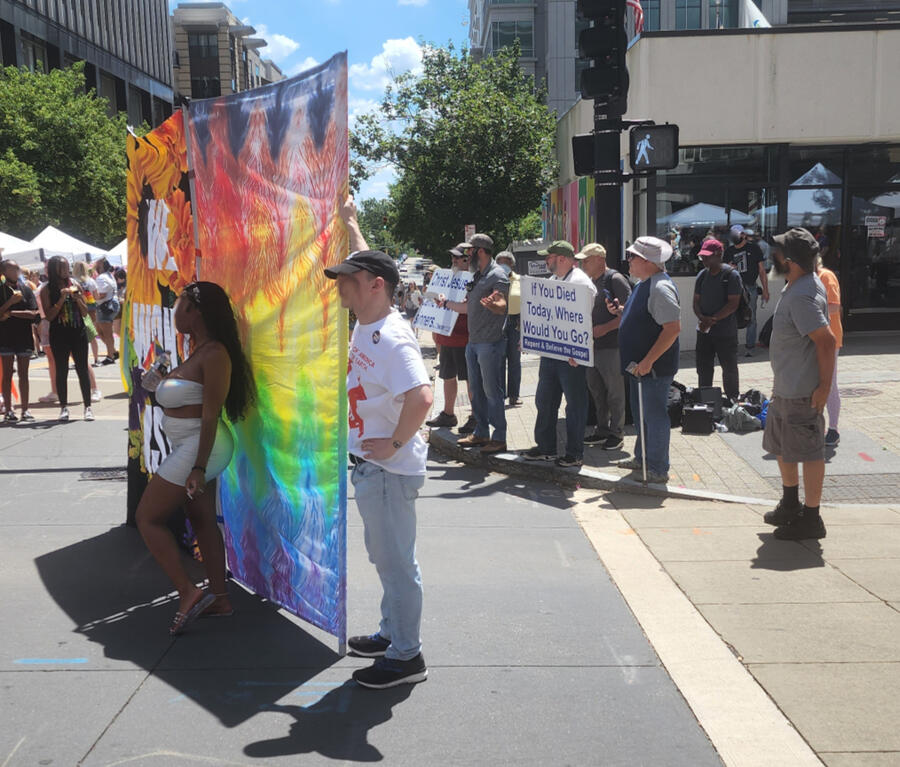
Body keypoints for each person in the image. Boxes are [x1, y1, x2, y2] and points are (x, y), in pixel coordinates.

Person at [328, 195, 432, 689]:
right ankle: (393, 634)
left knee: (395, 565)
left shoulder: (390, 337)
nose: (341, 285)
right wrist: (351, 223)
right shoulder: (369, 318)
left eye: (349, 279)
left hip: (388, 470)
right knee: (387, 558)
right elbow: (372, 260)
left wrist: (393, 442)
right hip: (377, 468)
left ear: (375, 287)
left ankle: (408, 656)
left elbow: (423, 396)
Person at [135, 281, 255, 634]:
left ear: (196, 311)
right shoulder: (197, 349)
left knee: (147, 517)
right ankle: (220, 598)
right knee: (201, 519)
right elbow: (185, 402)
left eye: (180, 304)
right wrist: (158, 384)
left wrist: (199, 467)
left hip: (203, 447)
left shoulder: (215, 353)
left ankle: (187, 591)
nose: (174, 311)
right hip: (191, 446)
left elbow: (209, 414)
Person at [762, 228, 835, 540]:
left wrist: (823, 389)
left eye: (776, 252)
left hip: (801, 393)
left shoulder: (803, 293)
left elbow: (827, 342)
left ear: (789, 260)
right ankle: (790, 504)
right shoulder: (797, 285)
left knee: (808, 452)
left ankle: (812, 518)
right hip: (785, 388)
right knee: (783, 448)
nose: (772, 256)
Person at [607, 237, 681, 484]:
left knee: (654, 416)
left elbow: (672, 328)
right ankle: (643, 458)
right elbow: (644, 315)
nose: (628, 261)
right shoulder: (645, 284)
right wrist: (620, 311)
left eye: (633, 257)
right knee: (641, 415)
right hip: (641, 367)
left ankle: (658, 467)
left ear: (648, 262)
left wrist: (649, 360)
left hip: (653, 368)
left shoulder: (660, 287)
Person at [522, 240, 597, 468]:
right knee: (544, 400)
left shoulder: (581, 283)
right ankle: (546, 447)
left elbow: (581, 319)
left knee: (574, 404)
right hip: (551, 353)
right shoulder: (554, 280)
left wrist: (578, 349)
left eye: (549, 257)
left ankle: (575, 453)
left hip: (571, 356)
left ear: (562, 259)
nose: (546, 260)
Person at [437, 233, 509, 455]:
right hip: (474, 343)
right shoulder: (478, 276)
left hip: (489, 343)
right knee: (476, 391)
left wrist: (495, 304)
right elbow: (468, 308)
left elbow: (502, 306)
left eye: (469, 251)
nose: (467, 256)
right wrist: (446, 303)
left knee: (492, 391)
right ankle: (481, 432)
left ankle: (499, 437)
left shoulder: (497, 275)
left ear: (480, 252)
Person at [578, 242, 631, 451]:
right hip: (592, 346)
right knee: (597, 391)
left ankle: (617, 433)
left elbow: (629, 313)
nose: (583, 265)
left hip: (611, 346)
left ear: (600, 259)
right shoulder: (591, 281)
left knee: (614, 392)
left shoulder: (615, 279)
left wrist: (606, 328)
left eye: (587, 260)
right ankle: (601, 430)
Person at [38, 256, 95, 422]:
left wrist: (78, 299)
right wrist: (61, 299)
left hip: (78, 331)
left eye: (67, 267)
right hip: (59, 333)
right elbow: (48, 316)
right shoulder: (46, 290)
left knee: (82, 368)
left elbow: (85, 312)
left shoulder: (75, 285)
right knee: (61, 370)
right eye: (62, 267)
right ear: (54, 269)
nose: (66, 270)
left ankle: (88, 406)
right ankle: (63, 407)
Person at [426, 247, 475, 431]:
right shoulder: (445, 277)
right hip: (447, 336)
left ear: (468, 260)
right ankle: (448, 414)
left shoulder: (473, 280)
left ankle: (475, 415)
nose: (454, 261)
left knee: (470, 378)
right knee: (447, 376)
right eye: (452, 257)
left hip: (465, 337)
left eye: (458, 258)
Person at [693, 238, 742, 401]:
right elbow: (695, 301)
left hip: (725, 331)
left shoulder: (731, 275)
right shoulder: (702, 275)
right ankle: (705, 399)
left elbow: (733, 304)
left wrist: (713, 319)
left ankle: (732, 400)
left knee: (729, 368)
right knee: (703, 367)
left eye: (707, 256)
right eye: (702, 257)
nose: (704, 260)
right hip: (704, 331)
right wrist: (702, 318)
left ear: (719, 254)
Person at [0, 260, 40, 422]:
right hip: (5, 337)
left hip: (24, 336)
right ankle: (9, 410)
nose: (16, 271)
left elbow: (34, 314)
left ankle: (25, 409)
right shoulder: (1, 290)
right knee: (7, 374)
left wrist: (11, 313)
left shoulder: (26, 289)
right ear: (3, 271)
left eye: (17, 268)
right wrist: (10, 302)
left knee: (24, 374)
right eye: (11, 268)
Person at [725, 224, 769, 356]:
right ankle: (732, 346)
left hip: (750, 287)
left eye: (736, 234)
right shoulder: (729, 251)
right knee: (731, 318)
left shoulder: (754, 248)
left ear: (743, 235)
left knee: (751, 317)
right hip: (734, 288)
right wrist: (728, 267)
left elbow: (761, 270)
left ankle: (750, 347)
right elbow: (723, 272)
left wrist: (765, 290)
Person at [816, 257, 843, 447]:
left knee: (829, 383)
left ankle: (833, 429)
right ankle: (816, 425)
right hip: (812, 339)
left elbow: (834, 305)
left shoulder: (826, 276)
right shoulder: (803, 279)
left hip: (828, 339)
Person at [71, 261, 103, 401]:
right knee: (92, 335)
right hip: (91, 308)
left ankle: (91, 359)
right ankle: (96, 357)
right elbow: (96, 297)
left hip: (77, 311)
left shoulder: (73, 281)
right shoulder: (91, 281)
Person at [495, 251, 522, 407]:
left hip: (515, 322)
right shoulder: (494, 280)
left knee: (514, 361)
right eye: (499, 263)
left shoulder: (520, 280)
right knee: (499, 360)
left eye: (506, 263)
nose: (503, 266)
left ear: (512, 264)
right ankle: (500, 395)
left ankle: (514, 395)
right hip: (498, 322)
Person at [92, 257, 118, 364]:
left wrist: (92, 296)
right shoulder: (109, 276)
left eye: (96, 266)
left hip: (104, 306)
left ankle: (110, 356)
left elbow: (101, 295)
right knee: (102, 331)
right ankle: (113, 352)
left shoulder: (101, 278)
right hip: (110, 305)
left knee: (106, 333)